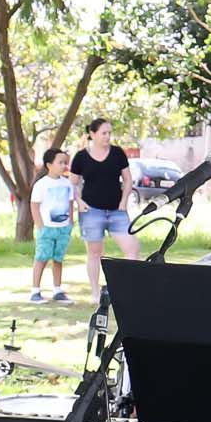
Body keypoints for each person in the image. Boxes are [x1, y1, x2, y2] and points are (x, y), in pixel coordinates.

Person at [70, 116, 137, 300]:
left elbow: (128, 179)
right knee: (94, 253)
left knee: (132, 248)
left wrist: (124, 201)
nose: (107, 136)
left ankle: (130, 290)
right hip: (91, 212)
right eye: (103, 133)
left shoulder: (117, 153)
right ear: (92, 134)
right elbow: (72, 184)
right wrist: (79, 202)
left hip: (117, 211)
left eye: (109, 133)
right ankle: (95, 293)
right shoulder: (81, 157)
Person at [28, 148, 77, 302]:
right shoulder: (41, 185)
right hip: (47, 228)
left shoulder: (67, 183)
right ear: (49, 165)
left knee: (58, 259)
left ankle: (57, 289)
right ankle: (35, 290)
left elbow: (70, 203)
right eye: (60, 162)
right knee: (41, 258)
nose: (64, 166)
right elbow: (34, 206)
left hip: (63, 228)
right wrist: (40, 226)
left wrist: (70, 222)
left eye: (65, 162)